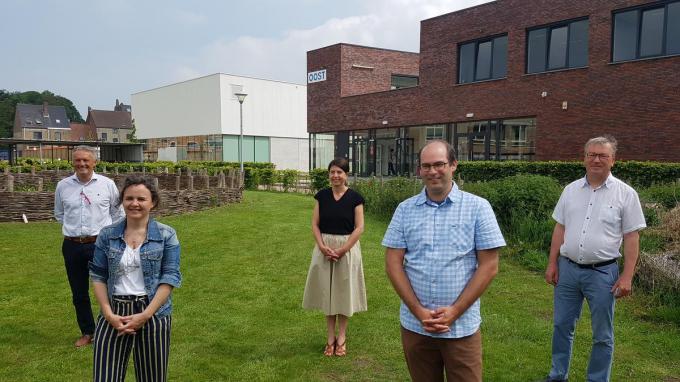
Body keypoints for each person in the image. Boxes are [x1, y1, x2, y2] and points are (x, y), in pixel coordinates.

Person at [383, 140, 505, 382]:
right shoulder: (404, 210)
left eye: (439, 164)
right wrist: (417, 311)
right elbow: (393, 264)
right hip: (416, 326)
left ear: (453, 165)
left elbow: (489, 266)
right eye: (425, 166)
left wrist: (455, 311)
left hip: (461, 328)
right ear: (419, 170)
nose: (432, 171)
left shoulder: (478, 208)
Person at [544, 136, 646, 382]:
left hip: (603, 275)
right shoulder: (570, 190)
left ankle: (598, 379)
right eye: (592, 154)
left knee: (602, 334)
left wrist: (627, 276)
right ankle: (558, 375)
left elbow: (632, 237)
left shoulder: (625, 194)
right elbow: (560, 228)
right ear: (584, 158)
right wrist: (552, 263)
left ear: (613, 160)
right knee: (561, 326)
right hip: (567, 270)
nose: (596, 159)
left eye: (602, 155)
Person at [89, 175, 182, 381]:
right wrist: (108, 315)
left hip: (153, 313)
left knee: (152, 377)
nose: (134, 203)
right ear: (122, 200)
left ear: (153, 202)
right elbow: (98, 276)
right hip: (114, 313)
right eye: (129, 198)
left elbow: (170, 277)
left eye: (141, 199)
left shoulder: (167, 235)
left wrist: (146, 315)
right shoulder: (107, 234)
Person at [54, 145, 123, 348]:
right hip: (72, 246)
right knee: (79, 292)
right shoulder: (63, 186)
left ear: (94, 162)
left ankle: (114, 327)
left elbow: (118, 214)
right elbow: (59, 214)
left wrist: (110, 238)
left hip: (100, 245)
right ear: (72, 162)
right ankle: (88, 332)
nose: (82, 164)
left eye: (86, 160)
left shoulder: (107, 184)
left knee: (111, 288)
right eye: (78, 160)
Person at [303, 157, 367, 357]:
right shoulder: (321, 196)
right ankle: (330, 338)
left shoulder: (355, 198)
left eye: (340, 172)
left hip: (346, 250)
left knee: (343, 293)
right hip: (324, 250)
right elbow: (314, 224)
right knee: (327, 294)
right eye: (332, 172)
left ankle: (342, 337)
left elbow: (360, 227)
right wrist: (322, 246)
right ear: (329, 174)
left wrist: (343, 250)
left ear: (346, 174)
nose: (335, 176)